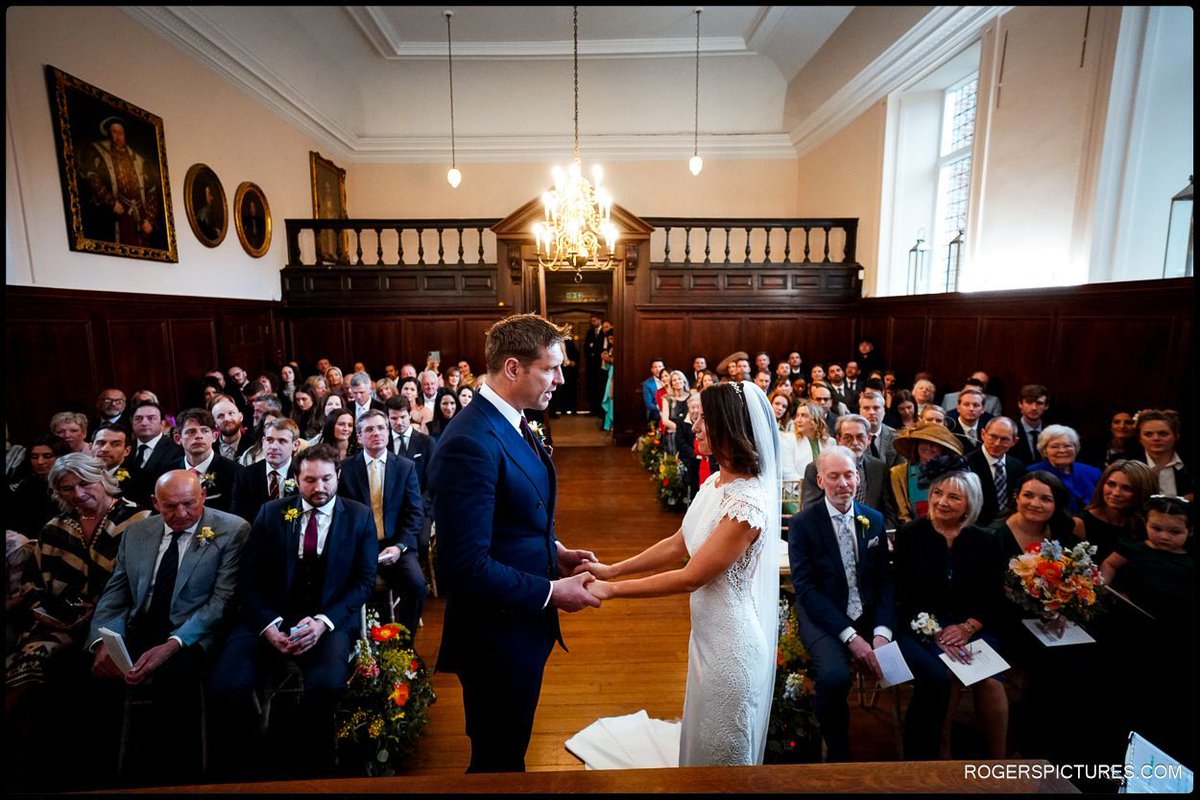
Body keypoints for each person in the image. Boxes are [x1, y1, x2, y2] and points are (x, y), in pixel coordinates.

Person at [428, 313, 600, 773]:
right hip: (494, 635)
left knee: (510, 747)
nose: (561, 379)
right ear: (512, 368)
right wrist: (551, 591)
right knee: (497, 761)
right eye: (551, 368)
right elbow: (463, 565)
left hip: (520, 627)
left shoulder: (512, 420)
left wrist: (555, 551)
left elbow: (511, 512)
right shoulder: (470, 441)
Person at [580, 381, 781, 765]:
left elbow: (692, 575)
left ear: (728, 425)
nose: (695, 427)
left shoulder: (748, 504)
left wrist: (612, 591)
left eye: (704, 419)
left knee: (723, 756)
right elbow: (678, 542)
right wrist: (612, 569)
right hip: (705, 637)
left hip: (731, 647)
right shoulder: (715, 483)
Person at [208, 444, 377, 779]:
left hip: (326, 619)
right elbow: (248, 579)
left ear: (338, 476)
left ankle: (299, 760)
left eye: (327, 479)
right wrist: (269, 626)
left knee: (328, 685)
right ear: (296, 480)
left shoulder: (358, 516)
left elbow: (363, 581)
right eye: (310, 480)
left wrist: (323, 623)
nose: (320, 488)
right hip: (269, 616)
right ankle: (248, 763)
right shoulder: (272, 513)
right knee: (225, 686)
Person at [86, 470, 249, 784]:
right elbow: (116, 593)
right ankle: (103, 774)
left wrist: (173, 643)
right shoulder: (137, 533)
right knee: (89, 675)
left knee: (172, 682)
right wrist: (103, 640)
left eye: (189, 504)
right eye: (170, 507)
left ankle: (172, 776)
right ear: (154, 503)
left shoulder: (231, 530)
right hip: (141, 624)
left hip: (193, 631)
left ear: (202, 496)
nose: (181, 514)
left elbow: (221, 602)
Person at [5, 454, 150, 790]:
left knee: (53, 666)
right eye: (67, 488)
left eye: (85, 483)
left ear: (102, 478)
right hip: (57, 624)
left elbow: (144, 585)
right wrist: (48, 612)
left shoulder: (139, 520)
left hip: (119, 623)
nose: (78, 493)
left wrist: (96, 610)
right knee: (35, 658)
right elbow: (33, 584)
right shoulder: (56, 528)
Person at [892, 464, 1007, 760]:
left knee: (991, 680)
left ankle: (999, 759)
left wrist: (968, 627)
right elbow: (903, 593)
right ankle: (942, 751)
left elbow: (994, 595)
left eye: (954, 497)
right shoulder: (910, 534)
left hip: (974, 625)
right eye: (938, 493)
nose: (942, 502)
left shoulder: (985, 540)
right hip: (923, 626)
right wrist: (935, 631)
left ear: (970, 503)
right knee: (948, 675)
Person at [788, 446, 892, 762]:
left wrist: (882, 632)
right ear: (820, 481)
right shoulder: (804, 524)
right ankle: (838, 750)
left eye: (848, 475)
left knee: (911, 665)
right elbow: (806, 589)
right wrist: (851, 638)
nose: (843, 484)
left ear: (858, 478)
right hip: (823, 615)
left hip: (867, 613)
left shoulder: (873, 519)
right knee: (835, 677)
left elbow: (885, 582)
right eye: (834, 477)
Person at [1098, 495, 1194, 767]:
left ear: (1190, 531)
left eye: (1175, 532)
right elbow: (1110, 564)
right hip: (1130, 629)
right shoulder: (1134, 548)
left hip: (1175, 635)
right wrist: (1104, 587)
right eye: (1157, 529)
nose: (1164, 536)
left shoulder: (1189, 562)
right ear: (1146, 524)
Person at [337, 410, 425, 636]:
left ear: (388, 432)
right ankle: (358, 648)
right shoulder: (346, 468)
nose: (376, 433)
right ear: (359, 436)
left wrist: (399, 547)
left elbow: (415, 513)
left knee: (416, 584)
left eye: (380, 428)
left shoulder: (405, 467)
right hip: (360, 547)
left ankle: (404, 647)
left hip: (396, 546)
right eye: (369, 429)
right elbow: (342, 514)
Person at [81, 118, 165, 249]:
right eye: (114, 132)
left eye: (120, 133)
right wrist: (112, 202)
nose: (118, 136)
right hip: (118, 212)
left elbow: (152, 191)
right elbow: (94, 179)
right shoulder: (101, 154)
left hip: (139, 214)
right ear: (109, 134)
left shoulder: (138, 160)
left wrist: (150, 219)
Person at [1071, 460, 1156, 565]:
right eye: (1111, 484)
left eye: (1126, 488)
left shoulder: (1148, 525)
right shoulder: (1080, 524)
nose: (1116, 493)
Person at [889, 420, 965, 528]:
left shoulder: (952, 474)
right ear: (917, 444)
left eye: (935, 444)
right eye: (925, 442)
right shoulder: (898, 473)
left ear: (943, 449)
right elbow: (903, 515)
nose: (929, 446)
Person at [231, 417, 301, 526]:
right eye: (269, 440)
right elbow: (238, 519)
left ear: (295, 445)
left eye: (282, 441)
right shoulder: (245, 476)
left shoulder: (304, 475)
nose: (273, 447)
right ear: (263, 442)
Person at [5, 434, 71, 538]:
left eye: (47, 456)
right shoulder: (26, 485)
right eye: (34, 457)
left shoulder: (72, 485)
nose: (39, 462)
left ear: (61, 457)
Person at [966, 416, 1027, 527]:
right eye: (993, 437)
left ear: (1014, 441)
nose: (997, 443)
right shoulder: (966, 465)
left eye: (1004, 439)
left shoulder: (1018, 467)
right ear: (983, 434)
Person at [1026, 425, 1101, 514]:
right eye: (1055, 446)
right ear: (1044, 451)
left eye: (1067, 446)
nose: (1062, 450)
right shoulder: (1032, 473)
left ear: (1076, 448)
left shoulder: (1093, 472)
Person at [1135, 409, 1192, 499]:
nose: (1156, 438)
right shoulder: (1130, 464)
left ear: (1176, 435)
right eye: (1148, 434)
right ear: (1140, 438)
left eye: (1163, 434)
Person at [659, 370, 691, 447]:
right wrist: (680, 431)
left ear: (684, 381)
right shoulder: (667, 398)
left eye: (679, 379)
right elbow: (665, 420)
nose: (677, 382)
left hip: (688, 431)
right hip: (673, 431)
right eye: (674, 380)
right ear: (671, 384)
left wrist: (685, 431)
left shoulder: (691, 397)